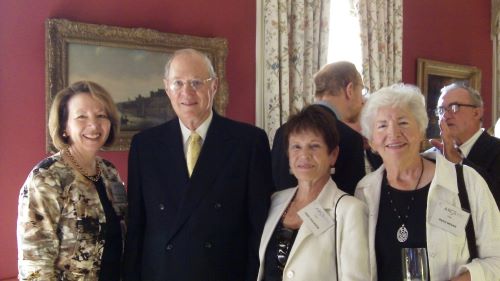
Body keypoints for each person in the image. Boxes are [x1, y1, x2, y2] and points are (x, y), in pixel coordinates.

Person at [123, 49, 274, 281]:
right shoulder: (145, 146)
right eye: (178, 83)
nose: (187, 92)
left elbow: (259, 227)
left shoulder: (248, 142)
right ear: (167, 88)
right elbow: (136, 226)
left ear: (213, 86)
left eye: (196, 82)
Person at [355, 84, 500, 281]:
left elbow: (496, 260)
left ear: (421, 130)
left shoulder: (467, 181)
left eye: (403, 122)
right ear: (372, 141)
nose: (394, 133)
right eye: (382, 125)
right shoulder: (364, 192)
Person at [17, 81, 127, 280]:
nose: (93, 125)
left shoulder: (110, 172)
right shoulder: (47, 177)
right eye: (81, 116)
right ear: (64, 127)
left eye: (101, 115)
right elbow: (35, 264)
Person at [257, 105, 370, 281]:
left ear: (333, 155)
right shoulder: (275, 201)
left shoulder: (350, 211)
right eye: (296, 146)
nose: (304, 155)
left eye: (314, 146)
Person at [272, 61, 382, 195]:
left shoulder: (282, 131)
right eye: (362, 90)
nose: (362, 99)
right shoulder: (350, 138)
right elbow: (354, 196)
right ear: (350, 90)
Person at [429, 82, 500, 207]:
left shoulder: (496, 150)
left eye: (454, 107)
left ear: (477, 113)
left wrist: (458, 161)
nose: (445, 115)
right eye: (441, 110)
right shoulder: (433, 155)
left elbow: (494, 198)